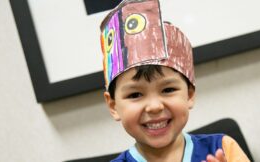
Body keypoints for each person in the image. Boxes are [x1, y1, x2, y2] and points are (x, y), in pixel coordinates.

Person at [99, 0, 250, 161]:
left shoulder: (223, 148)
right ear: (113, 105)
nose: (155, 107)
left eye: (168, 90)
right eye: (135, 94)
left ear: (190, 94)